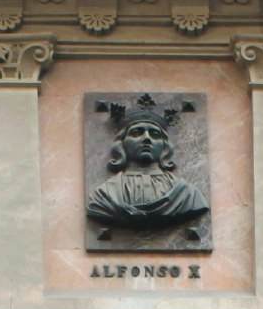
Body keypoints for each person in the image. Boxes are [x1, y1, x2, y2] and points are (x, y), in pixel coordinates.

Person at [89, 95, 209, 231]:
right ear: (122, 143)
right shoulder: (104, 196)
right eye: (136, 133)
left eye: (155, 135)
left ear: (165, 146)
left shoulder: (187, 195)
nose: (147, 138)